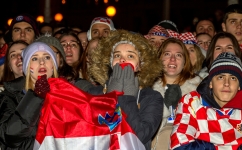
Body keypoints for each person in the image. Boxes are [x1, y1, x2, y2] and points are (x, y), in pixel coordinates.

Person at [88, 29, 163, 150]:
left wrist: (126, 98)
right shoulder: (93, 93)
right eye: (117, 55)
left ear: (140, 65)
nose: (122, 60)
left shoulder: (151, 97)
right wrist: (110, 96)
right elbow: (89, 134)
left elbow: (140, 136)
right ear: (111, 63)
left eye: (130, 56)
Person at [170, 52, 242, 150]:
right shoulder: (192, 101)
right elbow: (179, 145)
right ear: (211, 83)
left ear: (239, 86)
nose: (226, 83)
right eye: (220, 77)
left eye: (233, 78)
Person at [0, 42, 58, 149]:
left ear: (53, 65)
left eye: (47, 57)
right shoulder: (8, 98)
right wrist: (36, 97)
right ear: (26, 67)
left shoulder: (67, 94)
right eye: (35, 59)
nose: (42, 62)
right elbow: (11, 137)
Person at [151, 38, 203, 150]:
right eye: (167, 54)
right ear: (159, 58)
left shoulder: (200, 90)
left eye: (178, 55)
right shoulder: (147, 88)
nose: (173, 59)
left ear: (185, 61)